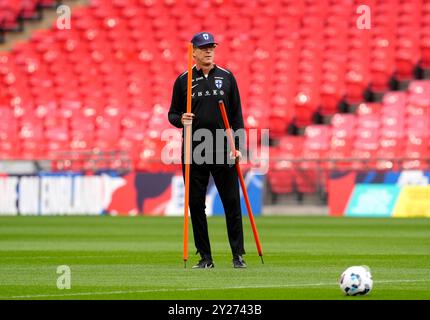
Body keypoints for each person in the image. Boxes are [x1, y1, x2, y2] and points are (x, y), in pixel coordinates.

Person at [168, 32, 247, 269]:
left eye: (211, 47)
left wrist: (238, 147)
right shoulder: (183, 80)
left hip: (223, 149)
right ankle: (205, 257)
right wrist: (181, 118)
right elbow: (171, 113)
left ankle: (238, 255)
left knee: (231, 203)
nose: (208, 51)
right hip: (193, 151)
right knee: (196, 205)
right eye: (203, 48)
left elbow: (237, 117)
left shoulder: (227, 77)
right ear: (194, 52)